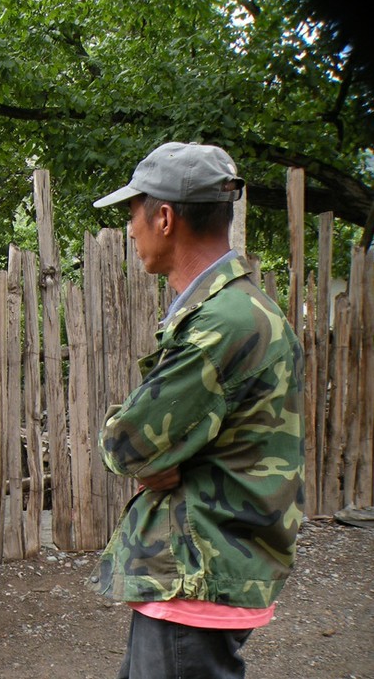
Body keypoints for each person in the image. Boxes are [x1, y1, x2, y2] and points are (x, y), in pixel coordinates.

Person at [90, 142, 305, 678]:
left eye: (132, 214)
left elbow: (129, 443)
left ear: (164, 217)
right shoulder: (241, 307)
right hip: (207, 567)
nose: (130, 229)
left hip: (197, 571)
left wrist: (136, 441)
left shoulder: (220, 324)